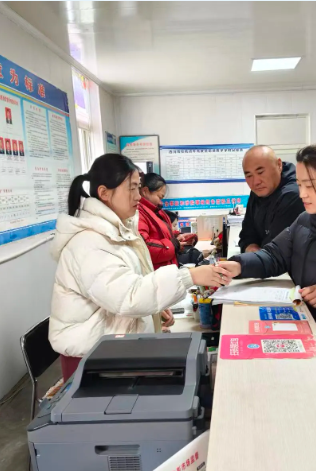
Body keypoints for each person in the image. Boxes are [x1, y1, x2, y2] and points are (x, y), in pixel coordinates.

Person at [49, 154, 233, 380]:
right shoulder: (89, 243)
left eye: (138, 187)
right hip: (90, 362)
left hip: (109, 350)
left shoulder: (117, 230)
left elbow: (125, 285)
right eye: (131, 188)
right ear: (104, 193)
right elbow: (129, 297)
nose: (138, 196)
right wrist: (189, 276)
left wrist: (152, 311)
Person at [219, 143, 316, 328]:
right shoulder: (304, 220)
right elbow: (274, 255)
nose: (302, 194)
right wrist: (237, 265)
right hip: (305, 321)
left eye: (310, 185)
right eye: (299, 185)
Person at [239, 145, 304, 253]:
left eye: (260, 172)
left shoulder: (292, 196)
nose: (256, 182)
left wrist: (256, 255)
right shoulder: (260, 190)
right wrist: (250, 247)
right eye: (249, 175)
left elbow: (275, 251)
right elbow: (247, 233)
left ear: (279, 165)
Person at [138, 173, 196, 269]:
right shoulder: (139, 213)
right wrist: (173, 244)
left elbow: (163, 234)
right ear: (145, 191)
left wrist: (179, 237)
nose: (161, 202)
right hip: (156, 273)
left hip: (167, 269)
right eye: (159, 197)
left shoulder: (157, 212)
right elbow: (144, 248)